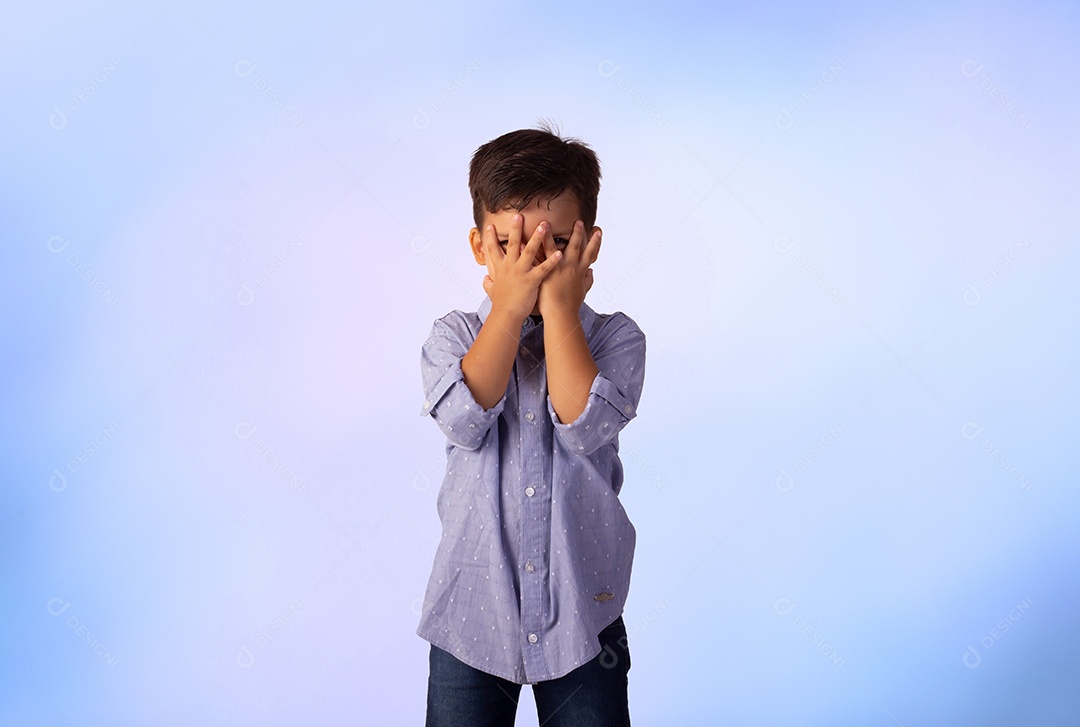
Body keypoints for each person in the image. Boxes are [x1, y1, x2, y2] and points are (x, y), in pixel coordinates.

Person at [418, 124, 646, 726]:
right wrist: (514, 306)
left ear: (589, 244)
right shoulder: (455, 337)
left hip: (583, 614)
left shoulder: (615, 338)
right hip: (471, 615)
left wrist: (560, 310)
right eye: (508, 243)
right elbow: (466, 417)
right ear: (477, 244)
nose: (532, 262)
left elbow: (582, 424)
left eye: (557, 243)